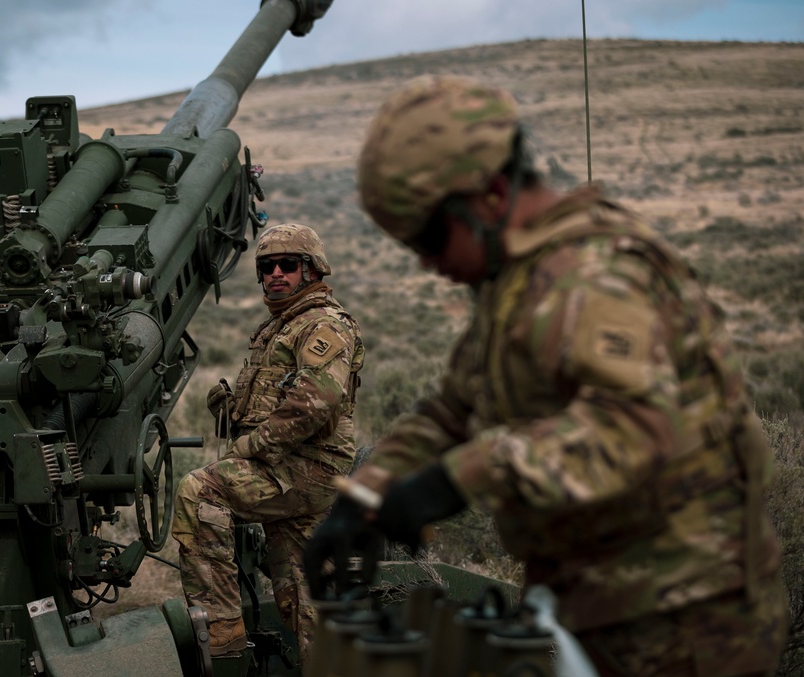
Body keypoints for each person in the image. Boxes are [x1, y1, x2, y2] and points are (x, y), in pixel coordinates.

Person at [306, 75, 788, 676]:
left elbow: (633, 428)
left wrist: (458, 479)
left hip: (687, 618)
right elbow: (451, 410)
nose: (430, 263)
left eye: (431, 237)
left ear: (490, 196)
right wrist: (364, 498)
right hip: (595, 605)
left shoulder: (595, 275)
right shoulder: (516, 281)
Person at [171, 223, 364, 663]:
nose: (276, 273)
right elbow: (276, 400)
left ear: (312, 270)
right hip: (289, 468)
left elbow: (315, 402)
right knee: (302, 595)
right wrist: (232, 409)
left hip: (305, 468)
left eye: (288, 265)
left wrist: (253, 445)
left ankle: (223, 638)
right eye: (267, 267)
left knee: (199, 492)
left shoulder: (322, 324)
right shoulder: (281, 327)